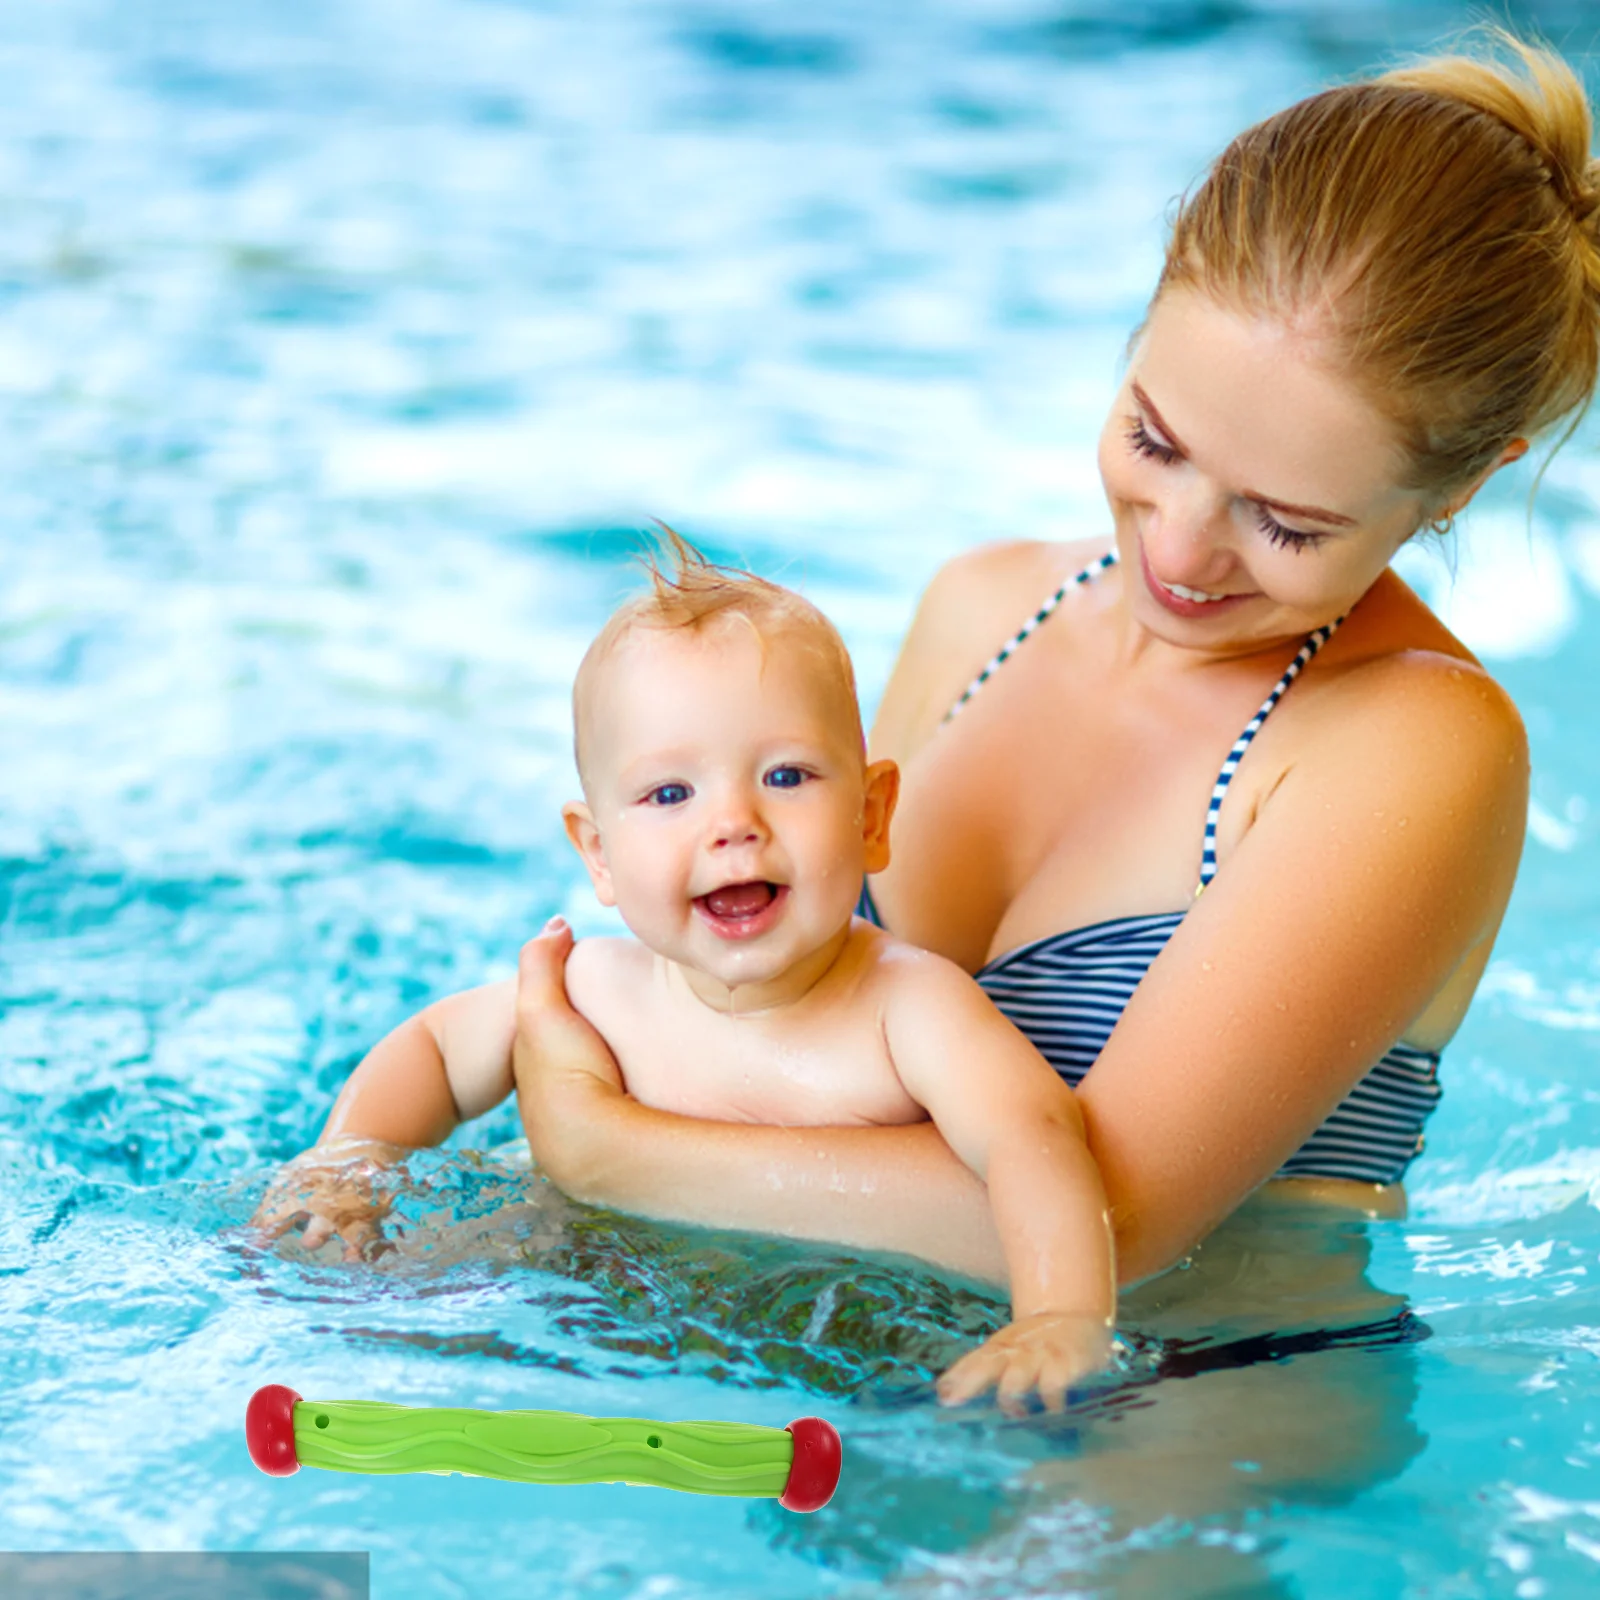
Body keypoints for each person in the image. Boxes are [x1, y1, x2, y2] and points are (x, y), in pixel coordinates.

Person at [505, 33, 1593, 1290]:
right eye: (1154, 436)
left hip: (1179, 1432)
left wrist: (608, 1149)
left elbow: (1112, 1225)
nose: (1180, 549)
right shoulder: (979, 609)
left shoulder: (1414, 746)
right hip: (832, 1385)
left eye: (1286, 521)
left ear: (1461, 484)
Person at [258, 536, 1117, 1410]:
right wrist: (347, 1172)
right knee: (377, 1306)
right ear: (597, 854)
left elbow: (1032, 1138)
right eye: (671, 795)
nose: (733, 823)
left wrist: (1060, 1314)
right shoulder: (595, 994)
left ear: (871, 816)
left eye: (786, 775)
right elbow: (436, 1051)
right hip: (579, 1298)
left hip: (823, 1355)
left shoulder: (911, 1009)